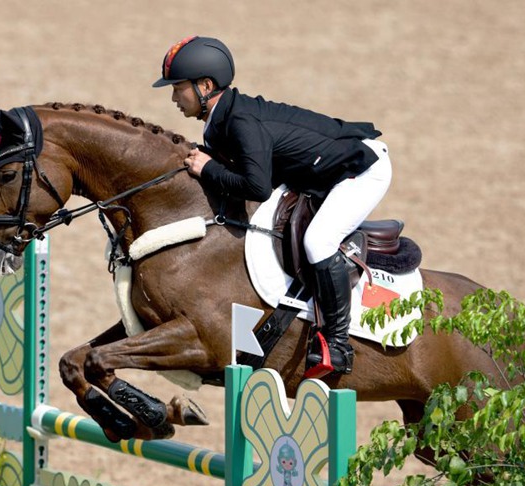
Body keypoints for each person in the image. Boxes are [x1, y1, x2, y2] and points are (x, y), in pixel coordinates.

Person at [153, 35, 392, 374]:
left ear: (205, 85)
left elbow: (256, 187)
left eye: (178, 88)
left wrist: (208, 169)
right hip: (317, 171)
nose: (174, 97)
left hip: (360, 169)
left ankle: (338, 345)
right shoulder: (218, 122)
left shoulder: (240, 123)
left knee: (318, 240)